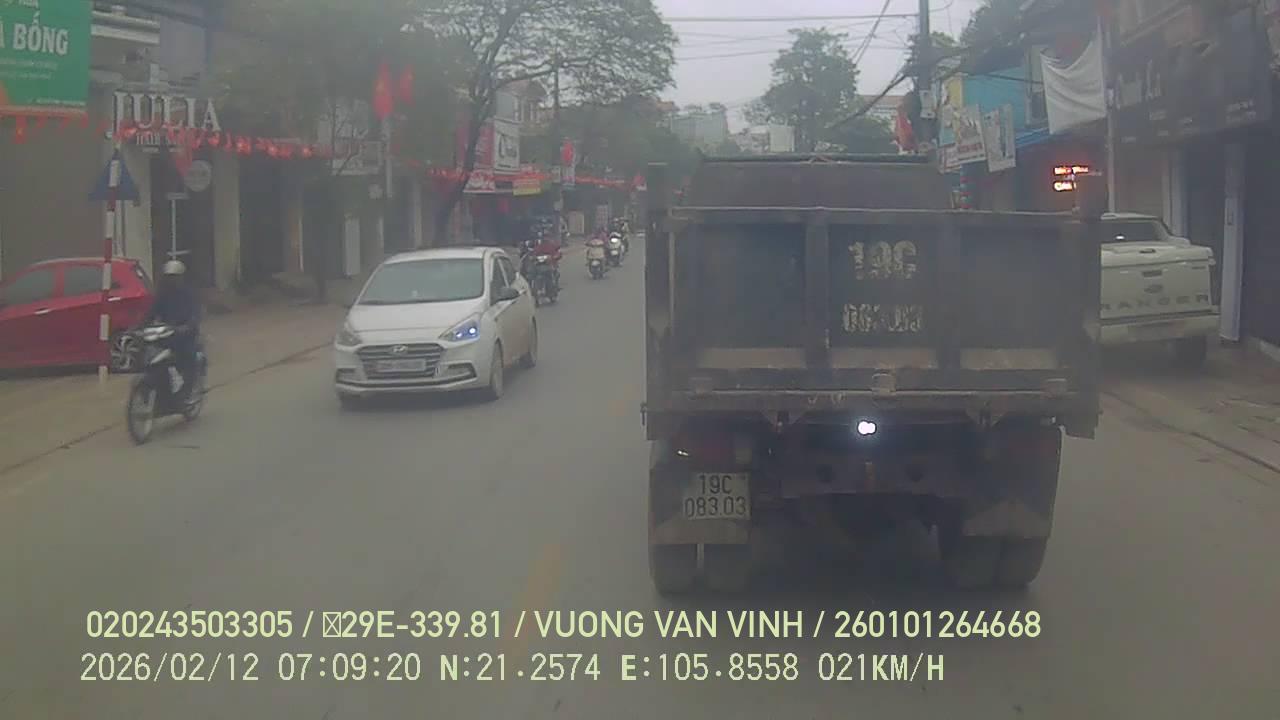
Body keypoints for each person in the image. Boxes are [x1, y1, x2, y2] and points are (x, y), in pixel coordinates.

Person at [141, 259, 202, 398]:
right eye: (169, 277)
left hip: (185, 336)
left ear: (181, 277)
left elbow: (195, 314)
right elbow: (151, 313)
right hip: (166, 334)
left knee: (188, 357)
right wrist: (139, 327)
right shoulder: (163, 294)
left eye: (175, 277)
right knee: (152, 356)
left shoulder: (189, 294)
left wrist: (187, 326)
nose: (172, 280)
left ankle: (187, 390)